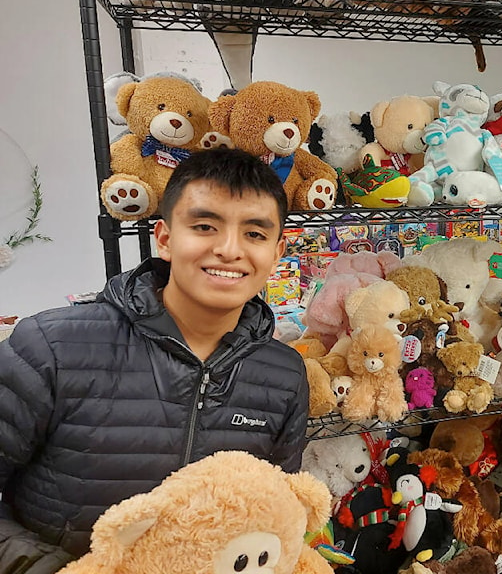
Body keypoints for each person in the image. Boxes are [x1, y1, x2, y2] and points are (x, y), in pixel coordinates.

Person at [0, 148, 309, 574]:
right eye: (204, 226)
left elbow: (272, 511)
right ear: (164, 238)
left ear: (277, 253)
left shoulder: (283, 375)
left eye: (255, 234)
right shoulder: (52, 346)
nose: (229, 250)